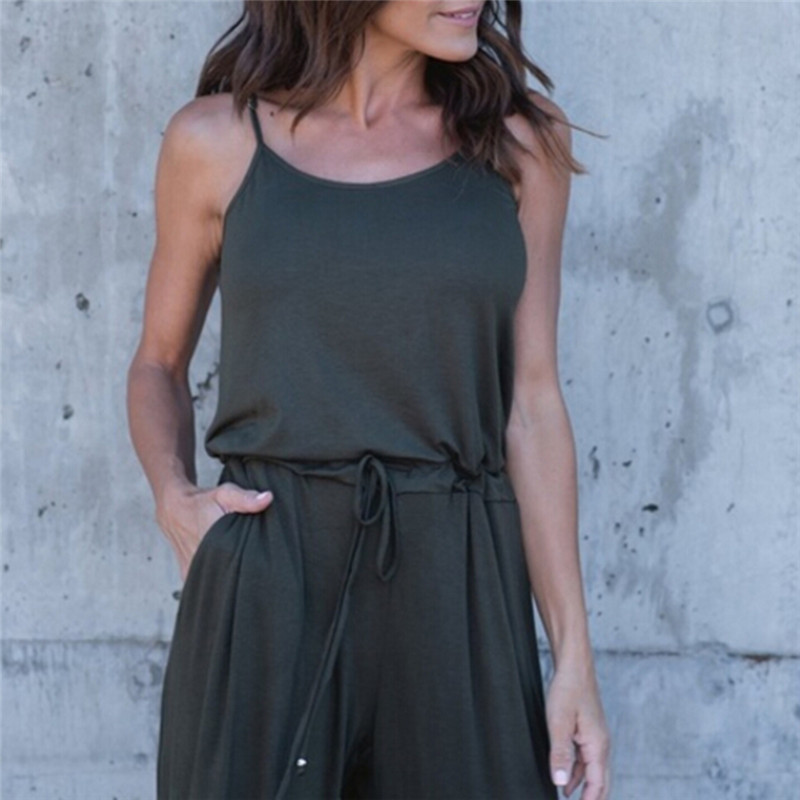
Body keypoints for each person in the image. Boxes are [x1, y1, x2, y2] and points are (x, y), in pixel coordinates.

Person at [126, 1, 611, 798]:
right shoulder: (215, 142)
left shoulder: (520, 144)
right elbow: (157, 364)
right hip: (271, 577)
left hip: (458, 581)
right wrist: (173, 498)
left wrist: (574, 660)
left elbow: (531, 406)